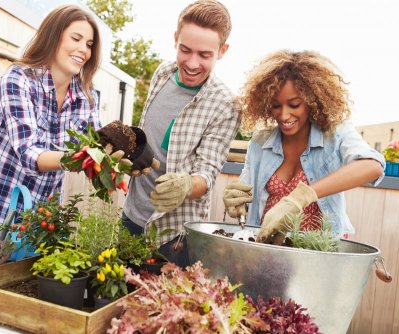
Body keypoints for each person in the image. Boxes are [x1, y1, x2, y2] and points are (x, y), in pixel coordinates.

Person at [122, 0, 240, 267]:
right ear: (175, 39)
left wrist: (186, 184)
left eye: (205, 55)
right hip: (131, 216)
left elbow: (206, 175)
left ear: (222, 51)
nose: (192, 63)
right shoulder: (163, 73)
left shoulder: (225, 105)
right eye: (185, 50)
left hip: (173, 236)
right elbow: (148, 136)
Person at [223, 50, 385, 245]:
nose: (284, 115)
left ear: (312, 100)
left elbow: (372, 166)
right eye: (275, 105)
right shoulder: (260, 142)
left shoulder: (335, 134)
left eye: (294, 104)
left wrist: (303, 196)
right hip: (268, 249)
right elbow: (246, 192)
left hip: (319, 254)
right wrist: (237, 200)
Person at [0, 5, 102, 222]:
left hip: (40, 220)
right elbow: (29, 152)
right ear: (53, 37)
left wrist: (118, 157)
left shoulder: (86, 95)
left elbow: (97, 143)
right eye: (76, 38)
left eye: (89, 44)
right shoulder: (18, 80)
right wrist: (80, 158)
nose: (84, 49)